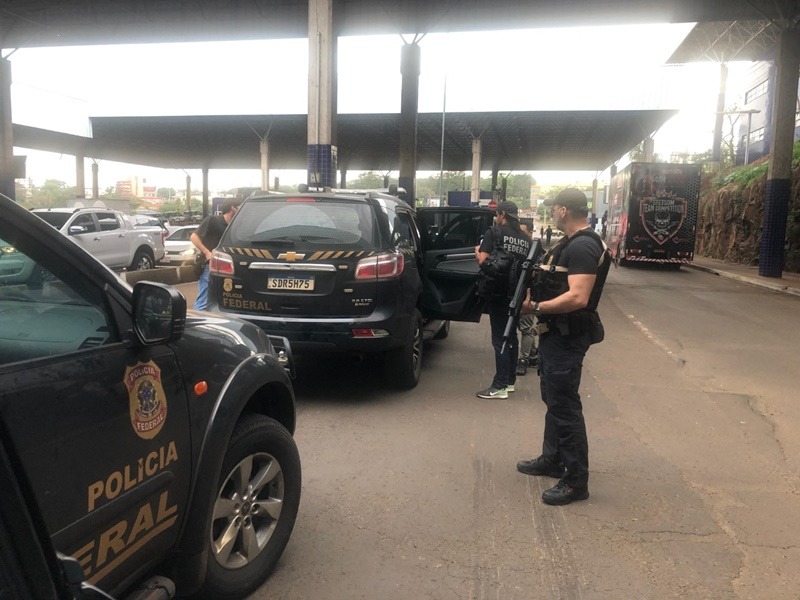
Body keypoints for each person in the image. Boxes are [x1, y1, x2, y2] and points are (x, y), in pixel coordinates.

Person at [516, 188, 610, 506]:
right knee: (553, 399)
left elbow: (578, 297)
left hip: (568, 336)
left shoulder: (583, 246)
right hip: (555, 334)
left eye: (554, 208)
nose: (553, 213)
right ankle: (553, 459)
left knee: (565, 406)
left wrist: (535, 308)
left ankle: (575, 482)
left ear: (563, 211)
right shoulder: (568, 243)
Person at [474, 201, 531, 399]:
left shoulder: (494, 233)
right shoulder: (525, 239)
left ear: (503, 214)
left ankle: (499, 385)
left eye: (497, 214)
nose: (496, 217)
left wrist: (477, 252)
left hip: (498, 292)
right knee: (511, 336)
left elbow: (483, 261)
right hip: (517, 294)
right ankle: (509, 381)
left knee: (500, 338)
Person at [190, 198, 241, 310]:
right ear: (232, 207)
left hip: (227, 268)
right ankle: (199, 318)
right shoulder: (213, 220)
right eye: (239, 207)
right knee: (204, 299)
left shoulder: (233, 226)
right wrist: (207, 253)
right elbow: (194, 237)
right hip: (209, 266)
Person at [516, 218, 538, 376]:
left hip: (528, 295)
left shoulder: (535, 252)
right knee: (525, 327)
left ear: (530, 233)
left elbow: (534, 278)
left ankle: (524, 359)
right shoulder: (521, 248)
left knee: (526, 328)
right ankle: (533, 354)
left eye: (523, 232)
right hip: (517, 293)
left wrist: (528, 298)